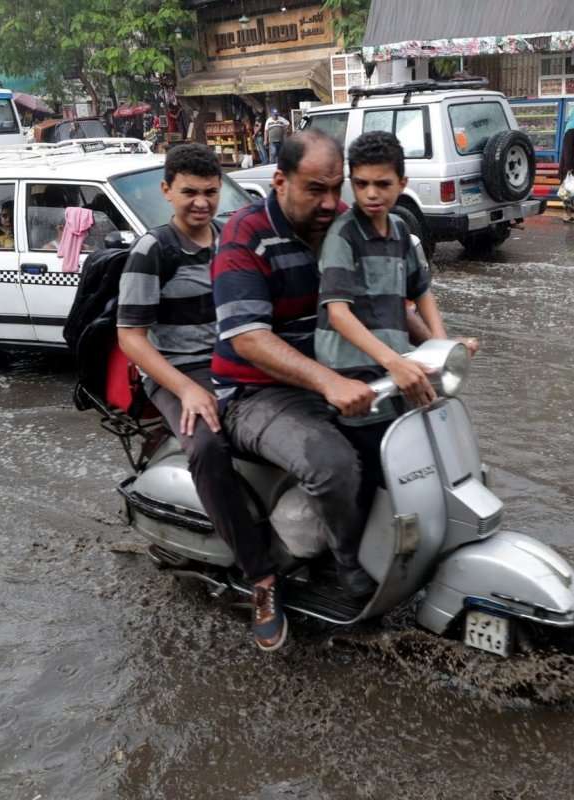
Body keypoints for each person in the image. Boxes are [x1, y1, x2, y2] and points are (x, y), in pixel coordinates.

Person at [212, 130, 378, 649]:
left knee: (399, 438)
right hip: (254, 393)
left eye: (336, 188)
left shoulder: (342, 223)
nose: (331, 202)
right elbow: (250, 340)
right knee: (331, 463)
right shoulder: (245, 235)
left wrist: (431, 345)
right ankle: (333, 568)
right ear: (280, 180)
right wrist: (328, 381)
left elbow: (383, 294)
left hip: (331, 377)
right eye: (316, 190)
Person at [116, 144, 281, 651]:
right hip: (179, 372)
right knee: (209, 449)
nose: (202, 203)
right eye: (190, 192)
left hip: (238, 361)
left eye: (211, 192)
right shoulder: (153, 250)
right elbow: (131, 337)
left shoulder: (233, 241)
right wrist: (186, 387)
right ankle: (261, 580)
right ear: (167, 191)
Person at [315, 131, 475, 518]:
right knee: (372, 473)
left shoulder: (402, 232)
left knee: (419, 457)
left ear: (402, 184)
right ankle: (352, 562)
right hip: (353, 373)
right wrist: (395, 362)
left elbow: (421, 293)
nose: (372, 194)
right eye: (362, 184)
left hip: (394, 367)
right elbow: (338, 313)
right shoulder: (343, 235)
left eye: (383, 184)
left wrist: (442, 348)